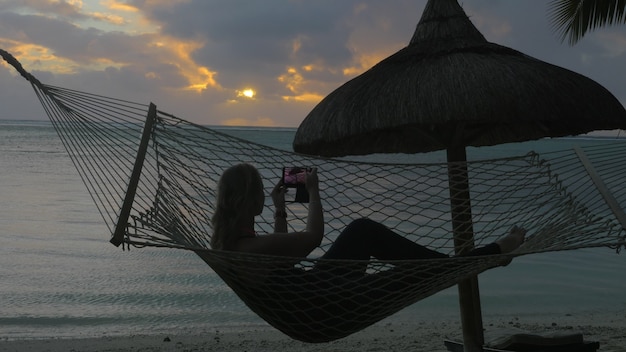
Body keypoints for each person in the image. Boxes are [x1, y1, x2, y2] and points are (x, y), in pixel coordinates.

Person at [210, 163, 526, 265]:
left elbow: (283, 259)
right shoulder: (246, 250)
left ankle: (456, 264)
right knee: (363, 230)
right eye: (262, 191)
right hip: (319, 299)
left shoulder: (239, 246)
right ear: (248, 201)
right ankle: (488, 254)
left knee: (407, 270)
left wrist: (280, 210)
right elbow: (312, 238)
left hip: (311, 295)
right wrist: (314, 190)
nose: (267, 194)